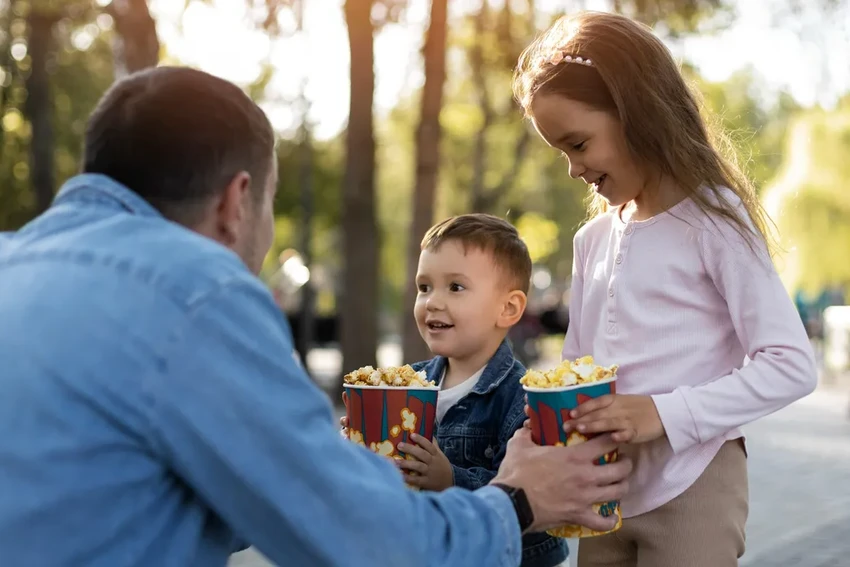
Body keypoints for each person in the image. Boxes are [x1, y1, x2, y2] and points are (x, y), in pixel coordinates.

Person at [0, 66, 632, 567]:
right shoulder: (197, 293)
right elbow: (365, 544)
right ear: (237, 202)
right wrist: (517, 501)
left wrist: (327, 463)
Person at [512, 11, 817, 567]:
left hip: (695, 481)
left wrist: (663, 414)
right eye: (562, 153)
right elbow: (579, 368)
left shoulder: (714, 221)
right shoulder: (591, 241)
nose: (574, 169)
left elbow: (791, 364)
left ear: (636, 111)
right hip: (604, 489)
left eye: (578, 144)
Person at [344, 213, 569, 567]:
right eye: (424, 287)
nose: (432, 301)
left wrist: (450, 479)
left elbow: (536, 507)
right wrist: (358, 448)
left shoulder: (523, 400)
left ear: (508, 308)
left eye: (455, 287)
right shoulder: (404, 385)